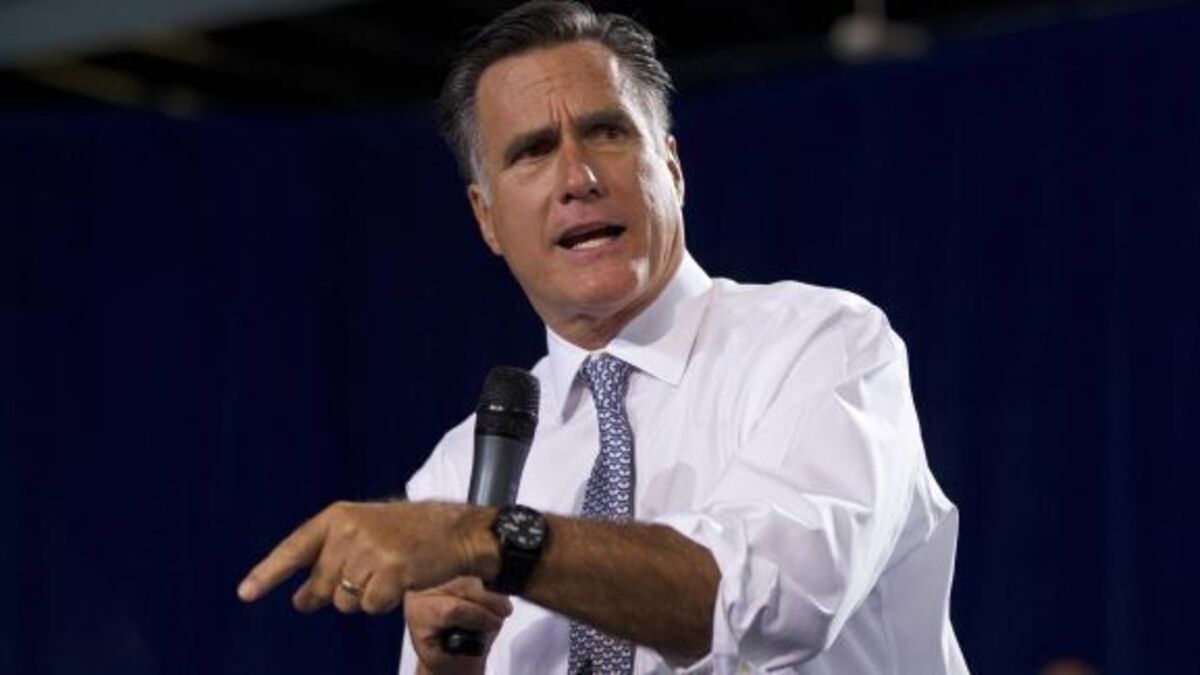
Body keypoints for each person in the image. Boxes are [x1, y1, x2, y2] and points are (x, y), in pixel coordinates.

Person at [237, 2, 968, 673]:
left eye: (607, 132)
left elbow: (777, 603)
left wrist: (495, 538)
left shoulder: (819, 346)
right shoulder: (455, 472)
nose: (578, 177)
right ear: (486, 218)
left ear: (672, 168)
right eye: (531, 151)